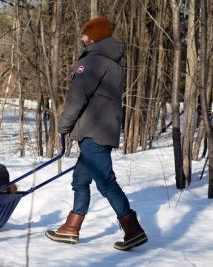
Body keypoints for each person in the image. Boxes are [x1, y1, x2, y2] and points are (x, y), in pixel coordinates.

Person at [45, 17, 147, 251]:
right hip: (106, 129)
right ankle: (71, 228)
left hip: (92, 130)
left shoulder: (91, 63)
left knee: (106, 182)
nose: (81, 37)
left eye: (84, 34)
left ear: (93, 37)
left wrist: (64, 125)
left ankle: (133, 230)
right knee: (80, 180)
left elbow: (77, 97)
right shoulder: (114, 65)